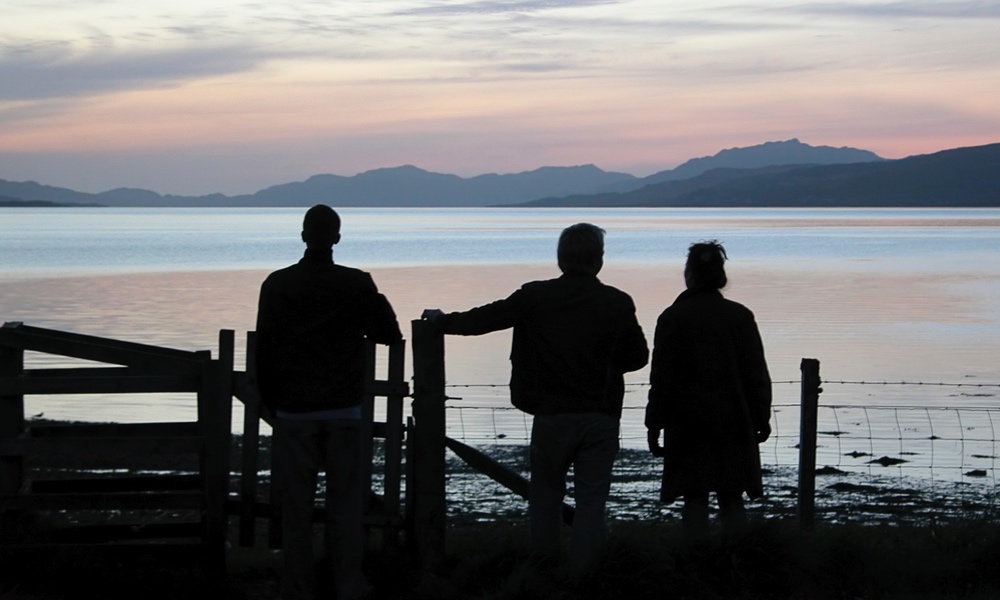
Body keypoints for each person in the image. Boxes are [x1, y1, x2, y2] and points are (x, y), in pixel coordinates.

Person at [423, 223, 648, 577]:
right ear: (599, 260)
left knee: (545, 497)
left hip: (551, 414)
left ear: (560, 258)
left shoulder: (535, 296)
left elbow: (484, 319)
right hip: (600, 414)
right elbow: (638, 357)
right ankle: (585, 576)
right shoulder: (617, 302)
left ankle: (543, 572)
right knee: (592, 501)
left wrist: (442, 321)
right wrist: (601, 363)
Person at [255, 204, 402, 600]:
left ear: (304, 235)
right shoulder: (355, 284)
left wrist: (271, 402)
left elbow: (263, 350)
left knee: (296, 509)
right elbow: (389, 334)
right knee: (346, 507)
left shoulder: (277, 284)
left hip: (293, 411)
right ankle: (348, 585)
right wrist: (373, 297)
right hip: (344, 410)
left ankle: (298, 588)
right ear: (337, 237)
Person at [645, 240, 771, 539]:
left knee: (694, 496)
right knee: (732, 494)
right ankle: (738, 554)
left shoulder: (673, 317)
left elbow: (661, 378)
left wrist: (654, 423)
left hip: (687, 421)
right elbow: (756, 373)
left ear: (689, 273)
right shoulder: (739, 316)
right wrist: (761, 416)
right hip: (733, 418)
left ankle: (695, 557)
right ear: (720, 275)